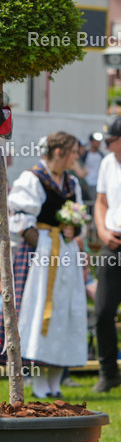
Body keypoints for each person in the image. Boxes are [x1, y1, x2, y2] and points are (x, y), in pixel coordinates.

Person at [5, 131, 86, 398]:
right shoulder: (33, 178)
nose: (77, 156)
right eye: (74, 151)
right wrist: (41, 242)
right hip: (40, 258)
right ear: (60, 152)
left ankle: (55, 382)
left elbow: (78, 221)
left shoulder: (71, 183)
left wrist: (73, 231)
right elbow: (18, 215)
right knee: (39, 312)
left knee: (63, 312)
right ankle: (38, 383)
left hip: (65, 257)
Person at [94, 120, 121, 392]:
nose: (107, 145)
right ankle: (108, 372)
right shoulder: (106, 164)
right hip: (112, 243)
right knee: (102, 311)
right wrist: (101, 230)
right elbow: (101, 201)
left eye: (111, 140)